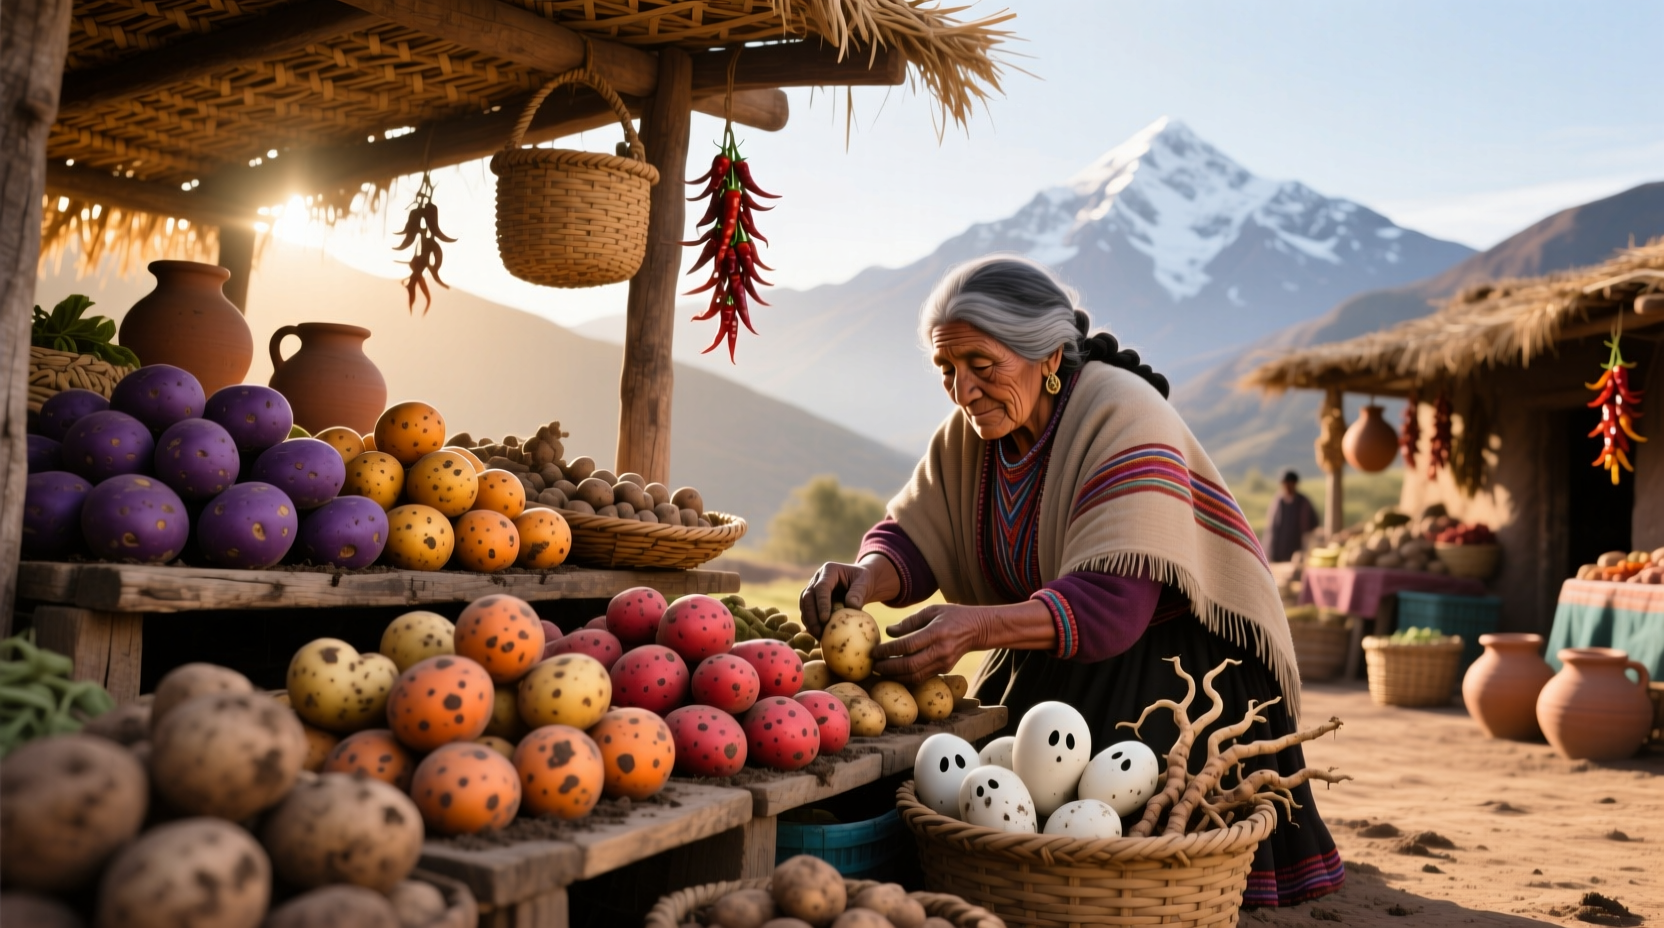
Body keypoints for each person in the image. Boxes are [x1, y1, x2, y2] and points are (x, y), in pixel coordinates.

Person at [798, 255, 1343, 907]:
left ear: (1048, 356)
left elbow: (1114, 605)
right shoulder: (971, 433)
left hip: (1170, 675)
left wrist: (976, 626)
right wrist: (865, 577)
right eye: (947, 370)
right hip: (1045, 654)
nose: (963, 390)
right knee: (976, 810)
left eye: (981, 365)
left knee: (1107, 852)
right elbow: (916, 536)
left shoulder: (1122, 414)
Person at [1267, 469, 1319, 563]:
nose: (1286, 486)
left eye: (1289, 483)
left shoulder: (1303, 502)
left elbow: (1312, 524)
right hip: (1279, 551)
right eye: (1284, 483)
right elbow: (1271, 527)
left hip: (1297, 551)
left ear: (1294, 483)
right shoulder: (1278, 501)